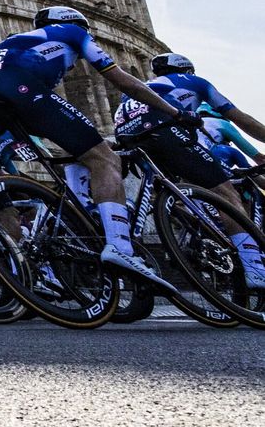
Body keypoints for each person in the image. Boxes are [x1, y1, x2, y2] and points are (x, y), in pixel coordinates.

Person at [0, 6, 197, 289]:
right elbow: (124, 81)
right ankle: (119, 247)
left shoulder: (20, 41)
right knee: (104, 159)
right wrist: (174, 113)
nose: (75, 64)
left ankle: (81, 216)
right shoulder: (74, 33)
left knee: (82, 151)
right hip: (20, 88)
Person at [111, 52, 265, 287]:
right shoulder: (195, 83)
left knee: (174, 187)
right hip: (162, 128)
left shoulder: (140, 86)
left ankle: (178, 225)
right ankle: (255, 267)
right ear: (188, 70)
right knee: (227, 195)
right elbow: (243, 120)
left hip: (126, 134)